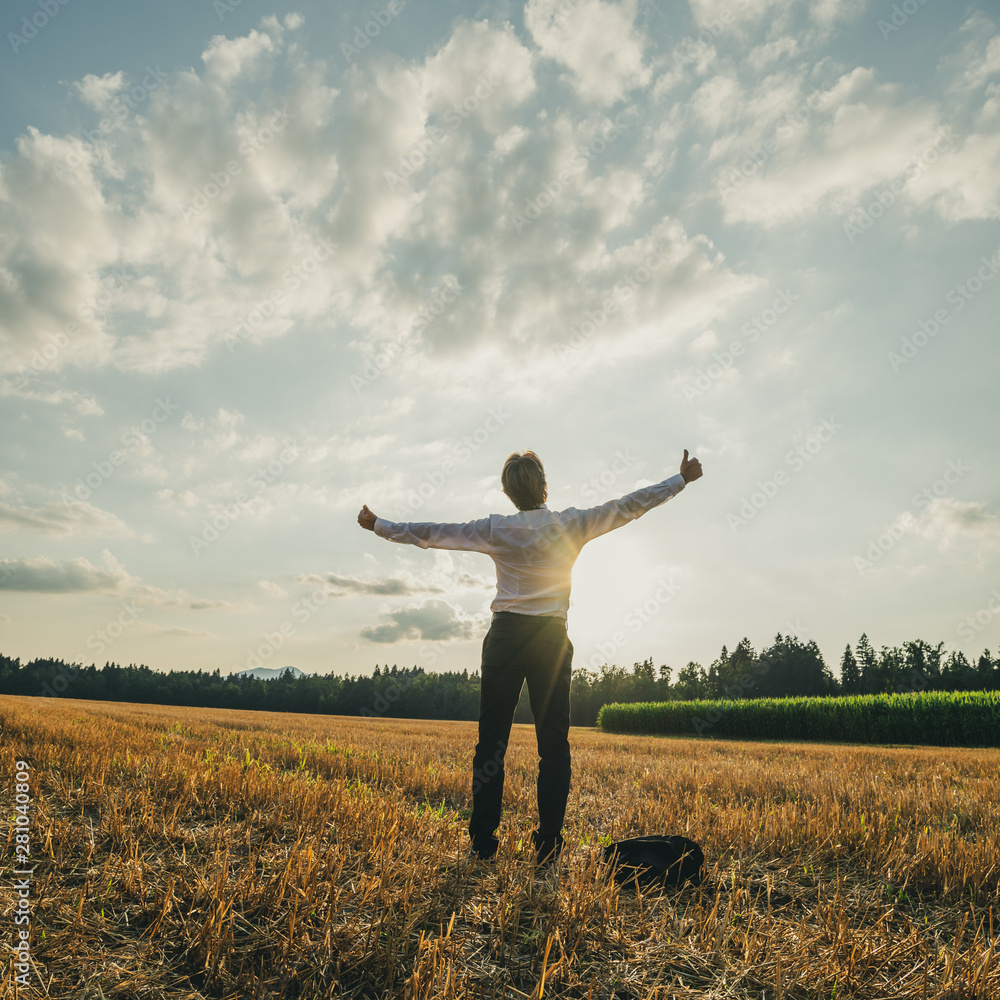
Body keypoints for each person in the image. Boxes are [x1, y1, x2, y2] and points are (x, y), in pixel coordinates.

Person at [357, 448, 703, 869]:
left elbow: (434, 532)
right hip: (550, 641)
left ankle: (483, 842)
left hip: (505, 639)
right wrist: (679, 480)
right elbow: (628, 506)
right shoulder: (572, 523)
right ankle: (548, 845)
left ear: (507, 492)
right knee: (554, 747)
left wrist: (381, 526)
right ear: (544, 487)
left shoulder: (495, 528)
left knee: (491, 745)